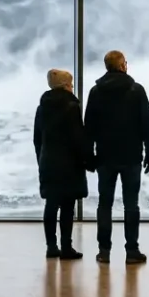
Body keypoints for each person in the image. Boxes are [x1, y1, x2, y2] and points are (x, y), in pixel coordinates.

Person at [83, 50, 149, 264]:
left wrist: (89, 156)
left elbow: (89, 128)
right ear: (123, 65)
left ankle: (104, 251)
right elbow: (146, 125)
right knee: (131, 205)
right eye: (125, 62)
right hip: (132, 156)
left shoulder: (96, 92)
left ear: (107, 67)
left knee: (104, 204)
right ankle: (132, 250)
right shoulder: (136, 90)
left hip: (105, 156)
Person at [34, 68, 88, 260]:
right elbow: (77, 137)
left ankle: (51, 246)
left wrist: (41, 158)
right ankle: (66, 247)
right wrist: (87, 159)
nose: (72, 88)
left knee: (51, 204)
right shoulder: (71, 107)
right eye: (71, 84)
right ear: (65, 86)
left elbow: (37, 139)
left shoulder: (42, 108)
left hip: (48, 161)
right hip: (69, 163)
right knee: (67, 206)